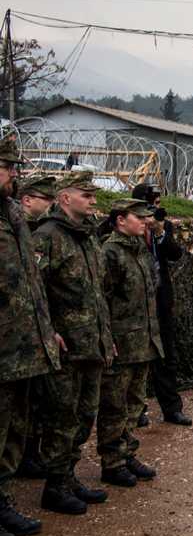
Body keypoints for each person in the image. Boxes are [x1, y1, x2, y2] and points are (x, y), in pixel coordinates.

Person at [32, 172, 114, 514]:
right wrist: (49, 332)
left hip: (91, 344)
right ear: (65, 199)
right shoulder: (47, 237)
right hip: (65, 346)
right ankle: (55, 485)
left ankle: (68, 475)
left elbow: (98, 295)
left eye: (94, 195)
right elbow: (34, 291)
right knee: (61, 417)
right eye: (86, 195)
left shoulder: (88, 237)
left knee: (83, 415)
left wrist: (106, 339)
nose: (93, 200)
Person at [0, 137, 60, 536]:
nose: (15, 175)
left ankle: (1, 500)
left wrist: (46, 329)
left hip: (23, 346)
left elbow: (31, 283)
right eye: (7, 168)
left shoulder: (11, 215)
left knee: (13, 428)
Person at [97, 199, 162, 488]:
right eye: (139, 217)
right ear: (120, 220)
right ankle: (112, 462)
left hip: (143, 342)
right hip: (122, 344)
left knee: (135, 404)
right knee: (115, 405)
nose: (146, 221)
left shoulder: (139, 249)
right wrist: (107, 339)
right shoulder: (110, 252)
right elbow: (102, 301)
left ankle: (127, 453)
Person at [135, 184, 192, 427]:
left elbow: (176, 254)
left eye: (157, 206)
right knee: (136, 359)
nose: (155, 212)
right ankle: (135, 410)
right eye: (151, 206)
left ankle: (171, 408)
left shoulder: (162, 227)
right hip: (136, 305)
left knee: (167, 356)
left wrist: (160, 233)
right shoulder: (123, 226)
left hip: (160, 299)